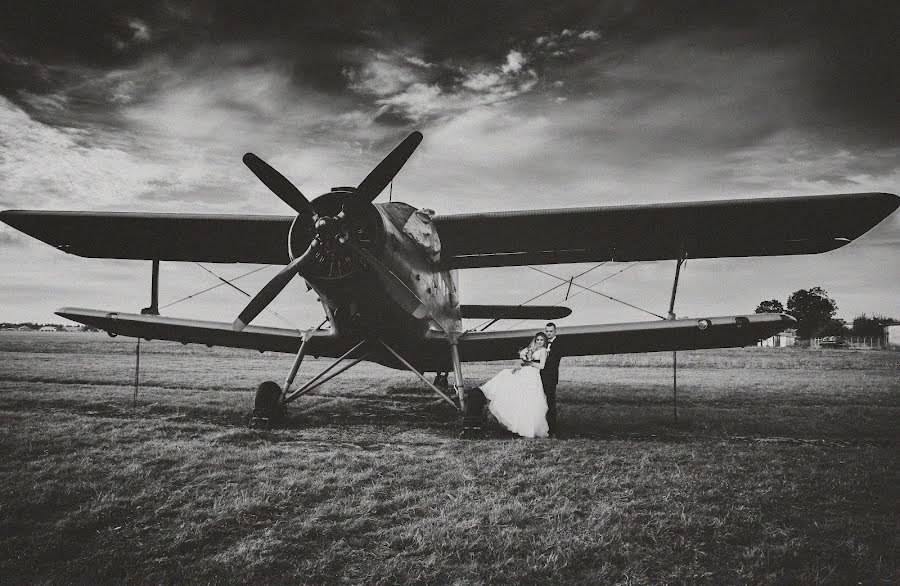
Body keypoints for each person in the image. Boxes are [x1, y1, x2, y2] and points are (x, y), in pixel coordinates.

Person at [480, 332, 550, 438]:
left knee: (530, 401)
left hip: (533, 375)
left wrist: (530, 362)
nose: (539, 342)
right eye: (538, 340)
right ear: (535, 340)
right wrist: (522, 362)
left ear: (544, 341)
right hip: (525, 372)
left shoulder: (543, 351)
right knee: (507, 377)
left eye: (541, 340)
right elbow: (525, 363)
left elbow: (542, 365)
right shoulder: (532, 349)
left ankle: (529, 429)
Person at [541, 322, 562, 436]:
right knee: (541, 400)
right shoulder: (542, 343)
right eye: (547, 331)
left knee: (550, 401)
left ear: (555, 332)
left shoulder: (559, 343)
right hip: (541, 376)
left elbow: (553, 360)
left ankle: (552, 428)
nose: (549, 333)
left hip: (551, 377)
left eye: (551, 331)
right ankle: (542, 425)